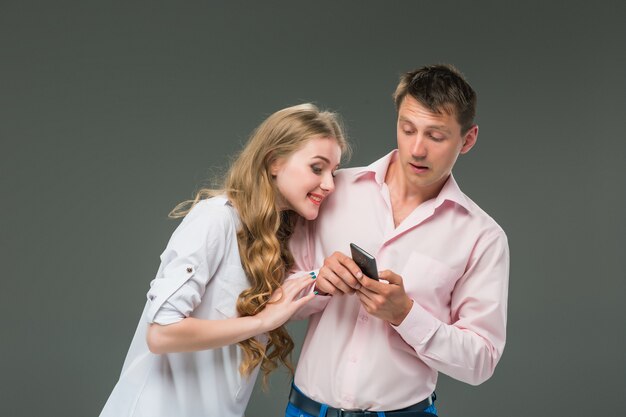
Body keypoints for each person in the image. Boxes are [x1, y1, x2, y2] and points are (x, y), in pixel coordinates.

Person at [285, 65, 510, 417]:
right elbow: (272, 293)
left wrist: (406, 315)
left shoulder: (482, 237)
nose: (417, 149)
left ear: (468, 139)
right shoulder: (332, 190)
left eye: (436, 136)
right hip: (306, 410)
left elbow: (481, 361)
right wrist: (317, 284)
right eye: (407, 130)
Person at [99, 103, 350, 417]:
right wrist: (260, 322)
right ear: (274, 161)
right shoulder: (216, 219)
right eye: (317, 168)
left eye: (334, 172)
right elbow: (161, 333)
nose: (330, 184)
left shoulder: (271, 241)